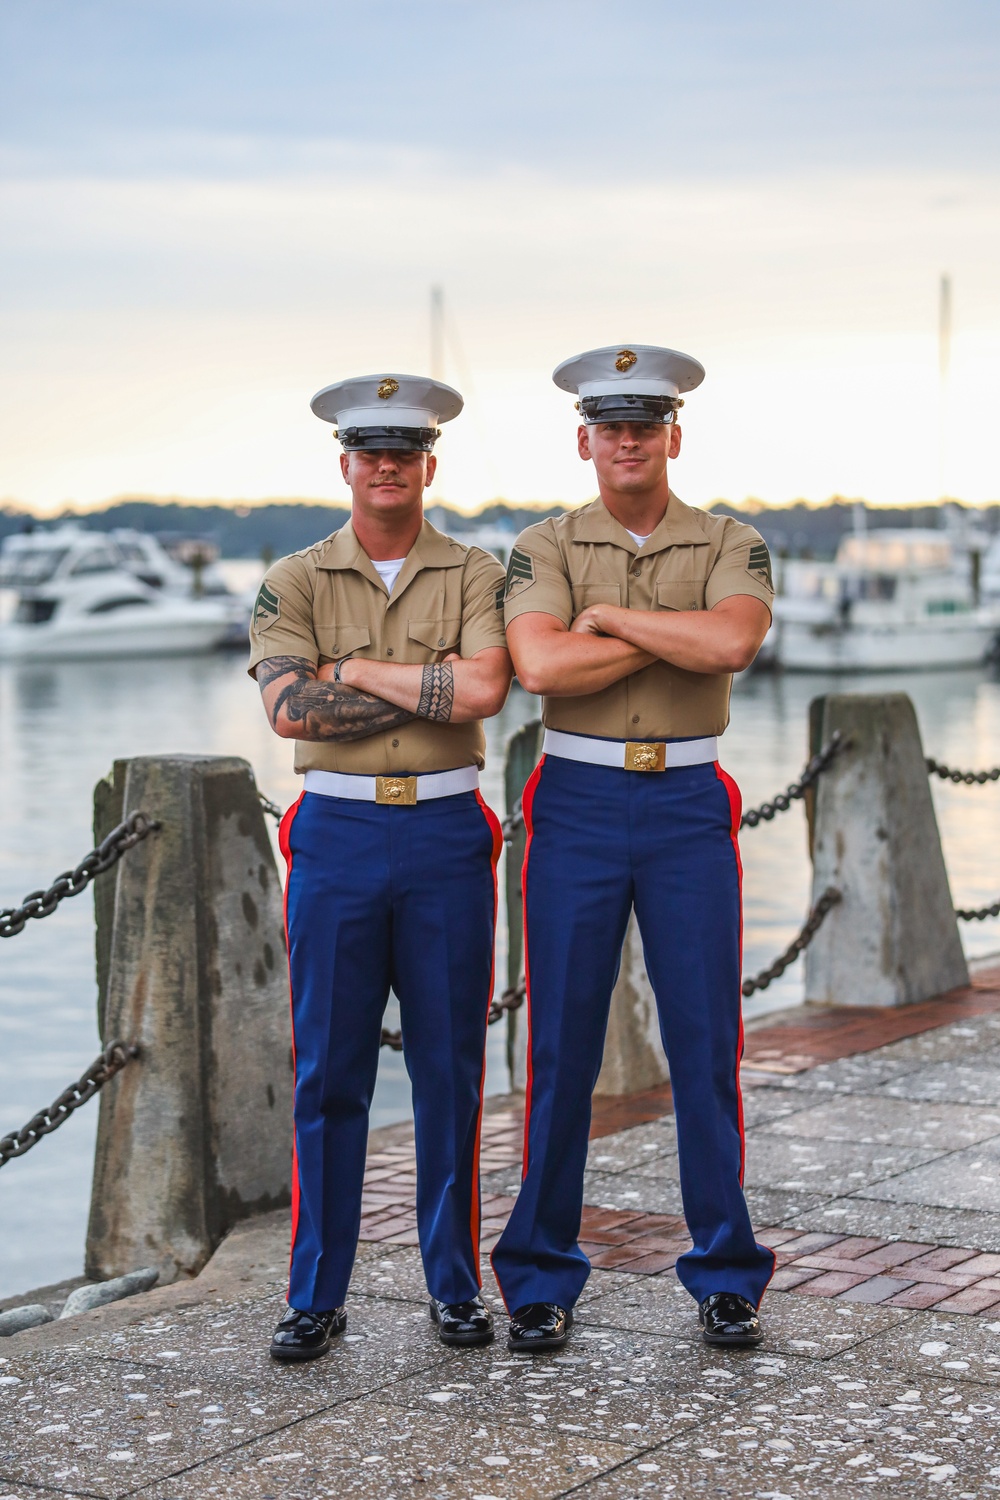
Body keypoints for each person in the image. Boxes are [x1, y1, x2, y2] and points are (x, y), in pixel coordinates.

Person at [491, 344, 776, 1352]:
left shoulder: (730, 540)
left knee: (704, 1045)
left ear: (672, 436)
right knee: (560, 1047)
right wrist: (668, 630)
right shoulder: (543, 545)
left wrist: (607, 616)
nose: (626, 441)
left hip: (686, 801)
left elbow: (733, 645)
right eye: (609, 427)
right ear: (584, 441)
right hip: (574, 798)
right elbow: (540, 666)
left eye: (642, 425)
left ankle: (725, 1272)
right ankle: (537, 1274)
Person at [249, 372, 512, 1361]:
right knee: (328, 1074)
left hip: (445, 837)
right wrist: (426, 687)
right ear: (347, 465)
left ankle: (453, 1284)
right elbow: (288, 713)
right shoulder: (294, 579)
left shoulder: (479, 573)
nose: (388, 465)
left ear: (428, 464)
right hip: (339, 836)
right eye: (371, 452)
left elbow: (483, 690)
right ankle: (316, 1291)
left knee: (450, 1070)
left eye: (406, 451)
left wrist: (350, 671)